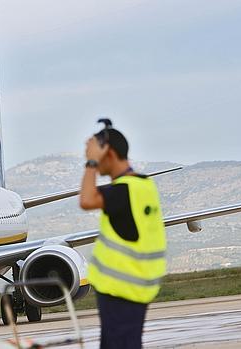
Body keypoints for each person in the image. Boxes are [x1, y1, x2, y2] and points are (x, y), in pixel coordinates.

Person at [79, 119, 167, 349]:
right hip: (136, 287)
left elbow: (86, 200)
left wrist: (90, 162)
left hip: (120, 289)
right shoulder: (143, 186)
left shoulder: (123, 191)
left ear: (108, 152)